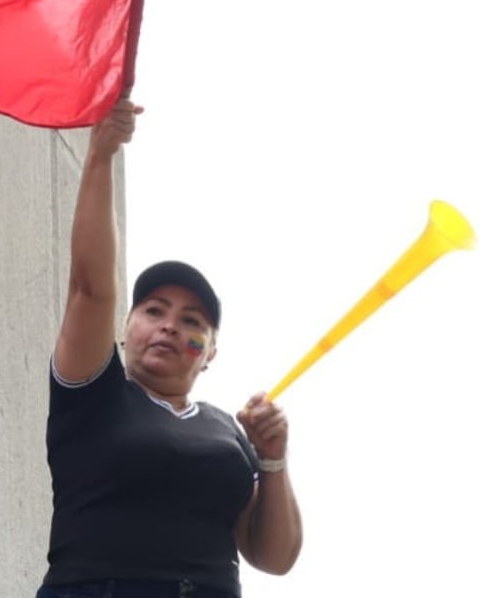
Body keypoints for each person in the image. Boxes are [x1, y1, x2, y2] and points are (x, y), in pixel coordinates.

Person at [41, 99, 303, 597]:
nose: (169, 327)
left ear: (209, 354)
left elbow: (274, 558)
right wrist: (100, 155)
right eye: (154, 311)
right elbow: (89, 287)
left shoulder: (228, 430)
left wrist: (272, 458)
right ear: (124, 329)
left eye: (192, 323)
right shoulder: (94, 392)